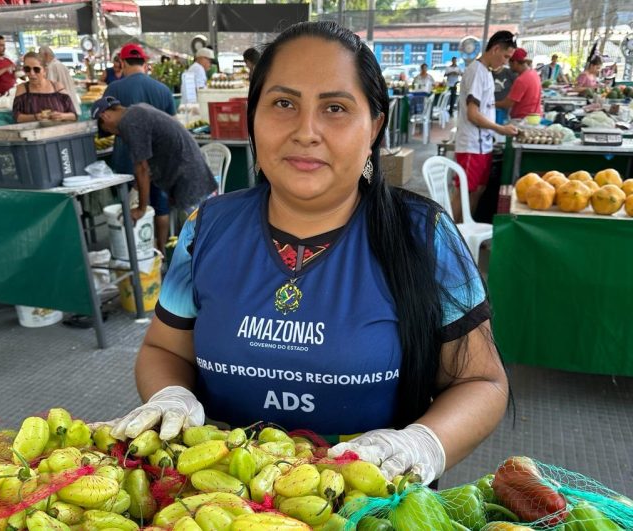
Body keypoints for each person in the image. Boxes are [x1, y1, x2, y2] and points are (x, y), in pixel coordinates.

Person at [95, 21, 510, 487]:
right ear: (253, 117)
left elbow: (481, 382)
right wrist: (170, 396)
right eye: (283, 103)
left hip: (367, 509)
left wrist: (422, 443)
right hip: (223, 505)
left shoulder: (425, 236)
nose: (306, 131)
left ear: (373, 125)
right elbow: (162, 349)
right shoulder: (206, 229)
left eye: (335, 107)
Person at [92, 97, 217, 224]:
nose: (117, 134)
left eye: (109, 130)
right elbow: (152, 158)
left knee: (207, 229)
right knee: (207, 224)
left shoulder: (129, 123)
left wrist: (141, 209)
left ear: (105, 116)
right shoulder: (138, 110)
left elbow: (142, 168)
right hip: (192, 172)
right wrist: (136, 190)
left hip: (188, 179)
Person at [104, 43, 177, 252]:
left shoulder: (114, 89)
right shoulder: (162, 90)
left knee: (128, 207)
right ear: (144, 63)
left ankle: (133, 252)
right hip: (158, 158)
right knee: (161, 206)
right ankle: (160, 252)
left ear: (124, 63)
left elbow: (107, 122)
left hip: (126, 157)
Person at [453, 30, 519, 223]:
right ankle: (445, 239)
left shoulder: (486, 73)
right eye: (506, 56)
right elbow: (473, 114)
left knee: (477, 191)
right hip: (472, 145)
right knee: (463, 193)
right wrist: (500, 129)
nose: (506, 62)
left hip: (483, 145)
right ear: (496, 48)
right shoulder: (475, 72)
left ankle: (464, 232)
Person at [12, 52, 77, 123]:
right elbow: (17, 117)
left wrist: (62, 116)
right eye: (27, 69)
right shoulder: (22, 89)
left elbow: (73, 115)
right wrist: (35, 117)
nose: (32, 73)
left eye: (36, 69)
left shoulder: (58, 87)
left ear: (45, 70)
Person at [496, 48, 542, 120]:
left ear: (515, 63)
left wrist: (490, 103)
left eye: (509, 64)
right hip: (535, 117)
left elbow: (507, 104)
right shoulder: (534, 73)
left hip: (522, 119)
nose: (509, 66)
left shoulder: (521, 80)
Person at [38, 46, 81, 116]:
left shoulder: (52, 67)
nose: (40, 60)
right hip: (72, 106)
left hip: (64, 109)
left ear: (46, 55)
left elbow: (49, 88)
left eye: (40, 56)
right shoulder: (61, 65)